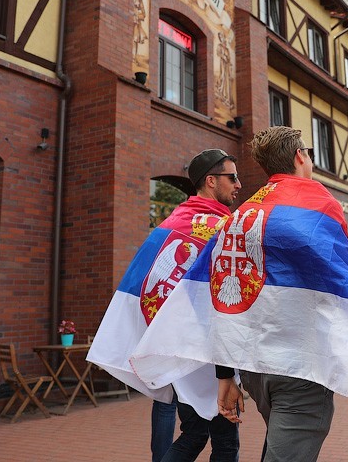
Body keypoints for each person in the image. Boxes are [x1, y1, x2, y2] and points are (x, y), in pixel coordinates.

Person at [132, 126, 348, 462]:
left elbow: (218, 297)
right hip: (300, 366)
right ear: (299, 156)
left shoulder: (242, 214)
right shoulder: (319, 204)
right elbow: (340, 292)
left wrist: (224, 374)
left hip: (256, 368)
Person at [87, 149, 242, 462]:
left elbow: (145, 283)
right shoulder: (222, 228)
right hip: (208, 351)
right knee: (225, 443)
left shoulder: (174, 221)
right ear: (211, 181)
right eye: (232, 177)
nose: (239, 184)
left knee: (195, 433)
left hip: (177, 345)